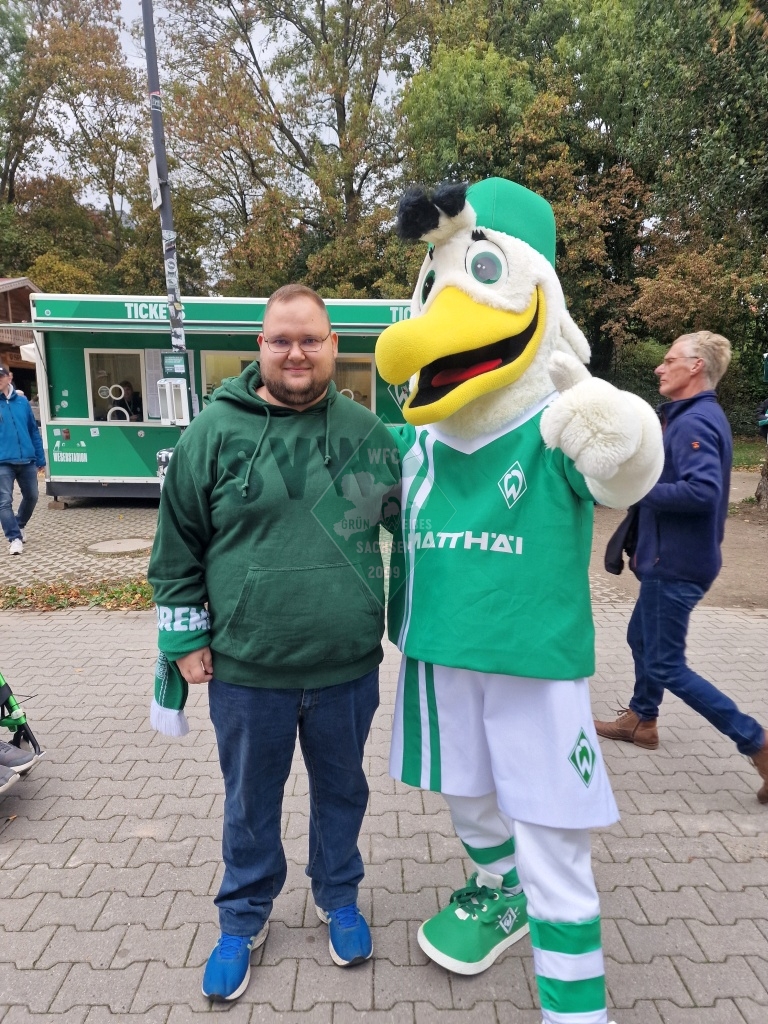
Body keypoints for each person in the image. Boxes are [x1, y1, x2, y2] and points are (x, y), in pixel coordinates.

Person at [147, 284, 400, 1003]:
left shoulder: (367, 433)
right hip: (247, 667)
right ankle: (243, 916)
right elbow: (176, 544)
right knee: (249, 802)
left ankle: (337, 895)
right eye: (281, 340)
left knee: (342, 792)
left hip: (347, 665)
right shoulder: (213, 431)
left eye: (310, 340)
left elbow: (415, 524)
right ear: (259, 346)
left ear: (333, 347)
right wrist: (183, 638)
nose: (296, 353)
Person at [595, 331, 768, 799]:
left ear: (696, 367)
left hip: (677, 563)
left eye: (669, 359)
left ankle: (757, 741)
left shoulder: (694, 422)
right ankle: (642, 718)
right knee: (640, 637)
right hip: (672, 558)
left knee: (667, 664)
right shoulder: (688, 416)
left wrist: (637, 488)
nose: (659, 366)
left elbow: (703, 492)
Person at [0, 365, 46, 555]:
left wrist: (40, 457)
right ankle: (14, 538)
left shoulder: (22, 402)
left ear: (9, 378)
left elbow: (33, 430)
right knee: (4, 501)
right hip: (3, 462)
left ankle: (19, 524)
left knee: (32, 496)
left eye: (1, 376)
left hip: (27, 459)